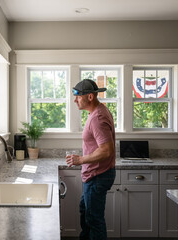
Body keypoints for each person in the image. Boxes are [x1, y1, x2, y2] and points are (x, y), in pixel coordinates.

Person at [66, 79, 116, 240]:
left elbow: (107, 150)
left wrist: (81, 160)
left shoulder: (97, 118)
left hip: (97, 175)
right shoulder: (98, 111)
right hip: (96, 174)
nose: (75, 100)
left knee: (94, 220)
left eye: (78, 96)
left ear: (89, 97)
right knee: (85, 211)